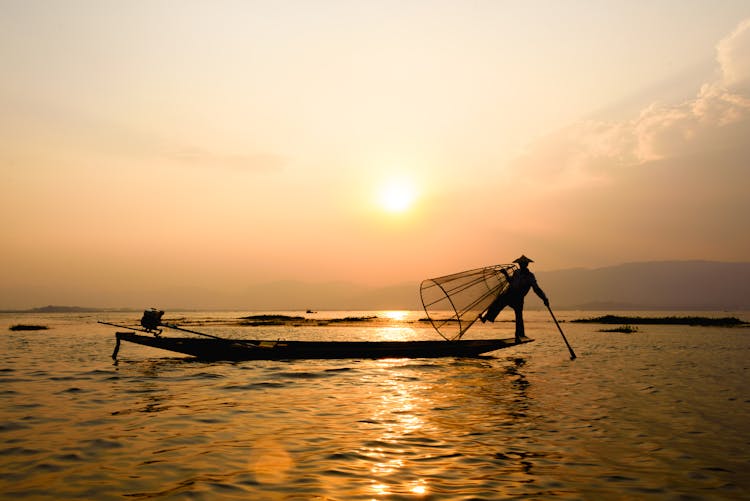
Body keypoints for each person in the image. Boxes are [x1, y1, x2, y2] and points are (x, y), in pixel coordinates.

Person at [479, 255, 549, 343]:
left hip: (519, 298)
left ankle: (519, 334)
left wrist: (544, 298)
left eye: (523, 264)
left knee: (519, 316)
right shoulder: (517, 272)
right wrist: (505, 274)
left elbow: (536, 289)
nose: (521, 265)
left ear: (526, 265)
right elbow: (511, 281)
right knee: (497, 302)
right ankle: (486, 318)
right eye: (520, 264)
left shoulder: (530, 276)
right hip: (510, 294)